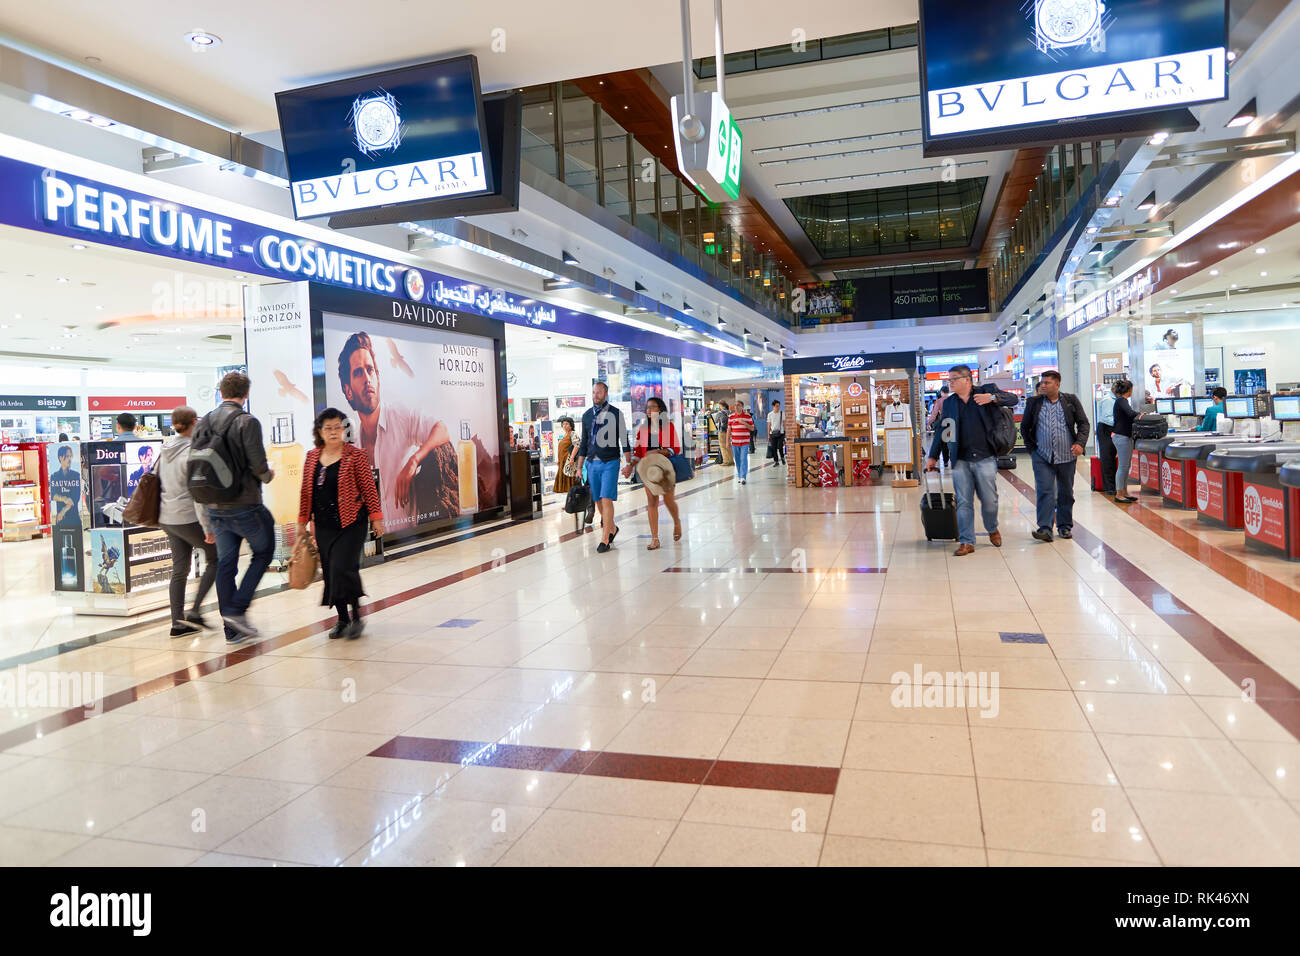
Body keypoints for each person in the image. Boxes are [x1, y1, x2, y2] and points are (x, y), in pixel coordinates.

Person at [337, 331, 450, 535]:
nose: (367, 379)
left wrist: (414, 460)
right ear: (348, 390)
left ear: (378, 377)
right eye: (358, 372)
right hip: (376, 544)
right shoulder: (350, 441)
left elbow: (441, 429)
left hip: (412, 540)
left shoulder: (400, 415)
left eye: (370, 370)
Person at [201, 371, 275, 643]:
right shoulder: (247, 421)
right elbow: (258, 465)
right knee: (264, 551)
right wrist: (269, 476)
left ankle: (231, 629)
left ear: (221, 392)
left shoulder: (204, 421)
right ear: (246, 394)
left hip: (214, 505)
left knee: (226, 563)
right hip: (244, 503)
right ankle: (236, 610)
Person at [298, 408, 384, 640]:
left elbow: (369, 488)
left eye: (338, 427)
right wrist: (301, 522)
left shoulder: (355, 455)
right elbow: (306, 493)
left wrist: (377, 518)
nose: (334, 432)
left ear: (345, 429)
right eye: (328, 428)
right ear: (320, 431)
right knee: (330, 571)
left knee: (343, 567)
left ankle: (356, 616)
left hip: (352, 521)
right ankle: (341, 619)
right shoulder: (311, 457)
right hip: (324, 525)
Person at [924, 364, 1018, 556]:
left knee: (990, 500)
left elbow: (1014, 399)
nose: (949, 383)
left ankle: (992, 528)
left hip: (985, 457)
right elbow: (943, 429)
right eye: (948, 380)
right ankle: (967, 541)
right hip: (961, 460)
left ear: (967, 379)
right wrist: (933, 456)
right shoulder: (949, 403)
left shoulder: (985, 392)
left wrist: (992, 398)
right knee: (964, 502)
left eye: (953, 380)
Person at [157, 406, 217, 637]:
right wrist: (207, 527)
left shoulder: (165, 449)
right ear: (194, 422)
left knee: (180, 568)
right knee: (216, 558)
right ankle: (195, 611)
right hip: (188, 517)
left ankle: (177, 623)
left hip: (167, 517)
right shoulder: (193, 452)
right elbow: (199, 495)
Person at [1020, 370, 1091, 542]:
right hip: (1042, 456)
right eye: (1042, 383)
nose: (1042, 385)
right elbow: (1025, 427)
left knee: (1066, 492)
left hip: (1067, 455)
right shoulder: (1034, 402)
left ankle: (1065, 526)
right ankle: (1045, 528)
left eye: (1047, 383)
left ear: (1057, 384)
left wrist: (1080, 443)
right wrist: (1033, 449)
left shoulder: (1070, 401)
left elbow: (1083, 423)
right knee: (1045, 491)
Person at [574, 381, 632, 553]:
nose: (595, 396)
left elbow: (624, 439)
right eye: (593, 392)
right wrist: (579, 467)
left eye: (598, 392)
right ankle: (612, 528)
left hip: (610, 462)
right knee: (598, 500)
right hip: (592, 463)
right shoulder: (586, 416)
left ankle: (605, 538)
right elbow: (583, 443)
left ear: (606, 394)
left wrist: (629, 463)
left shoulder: (615, 413)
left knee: (606, 499)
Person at [632, 397, 682, 550]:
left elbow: (676, 449)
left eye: (652, 407)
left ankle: (676, 521)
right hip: (649, 469)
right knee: (651, 502)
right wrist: (631, 464)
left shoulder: (668, 426)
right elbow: (638, 451)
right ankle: (655, 539)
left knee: (668, 500)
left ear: (660, 409)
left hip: (665, 468)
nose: (648, 410)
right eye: (647, 407)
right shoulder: (642, 429)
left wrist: (659, 451)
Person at [1111, 380, 1140, 503]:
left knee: (1126, 466)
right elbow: (1130, 414)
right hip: (1122, 437)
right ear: (1129, 390)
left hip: (1124, 436)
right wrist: (1140, 415)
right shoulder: (1121, 401)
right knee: (1123, 466)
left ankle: (1124, 491)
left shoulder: (1122, 401)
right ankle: (1119, 493)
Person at [49, 444, 82, 529]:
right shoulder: (54, 476)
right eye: (67, 456)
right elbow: (53, 495)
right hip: (60, 520)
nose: (70, 459)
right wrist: (64, 499)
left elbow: (75, 498)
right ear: (60, 458)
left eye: (71, 456)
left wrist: (63, 511)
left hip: (73, 517)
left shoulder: (76, 475)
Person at [1096, 385, 1117, 496]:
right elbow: (1107, 418)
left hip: (1109, 428)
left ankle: (1112, 486)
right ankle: (1109, 487)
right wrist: (1120, 424)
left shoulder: (1115, 399)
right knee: (1107, 458)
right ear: (1114, 389)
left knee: (1111, 458)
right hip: (1105, 429)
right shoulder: (1108, 400)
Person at [728, 401, 756, 484]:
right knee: (737, 460)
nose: (736, 407)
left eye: (738, 405)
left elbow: (752, 428)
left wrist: (743, 422)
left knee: (743, 459)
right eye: (735, 405)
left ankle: (743, 477)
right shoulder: (731, 417)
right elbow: (729, 430)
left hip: (745, 442)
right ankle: (740, 476)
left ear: (742, 407)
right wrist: (727, 442)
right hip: (734, 442)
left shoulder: (747, 416)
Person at [553, 417, 578, 495]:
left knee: (571, 483)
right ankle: (570, 502)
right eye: (563, 424)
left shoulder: (572, 433)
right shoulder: (565, 435)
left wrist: (572, 458)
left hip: (569, 462)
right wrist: (559, 461)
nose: (564, 426)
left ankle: (573, 503)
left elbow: (577, 445)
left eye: (567, 424)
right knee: (567, 484)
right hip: (563, 462)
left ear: (571, 425)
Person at [767, 399, 786, 465]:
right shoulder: (770, 414)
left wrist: (785, 432)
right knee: (774, 448)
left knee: (780, 447)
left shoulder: (782, 413)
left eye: (779, 406)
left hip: (781, 433)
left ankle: (782, 458)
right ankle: (776, 461)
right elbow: (769, 425)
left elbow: (784, 423)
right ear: (773, 406)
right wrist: (768, 435)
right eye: (776, 406)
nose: (778, 407)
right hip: (772, 433)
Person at [713, 401, 733, 465]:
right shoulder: (730, 412)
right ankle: (731, 460)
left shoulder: (720, 413)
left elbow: (715, 421)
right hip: (729, 431)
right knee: (728, 446)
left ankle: (726, 461)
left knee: (723, 446)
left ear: (721, 405)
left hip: (722, 431)